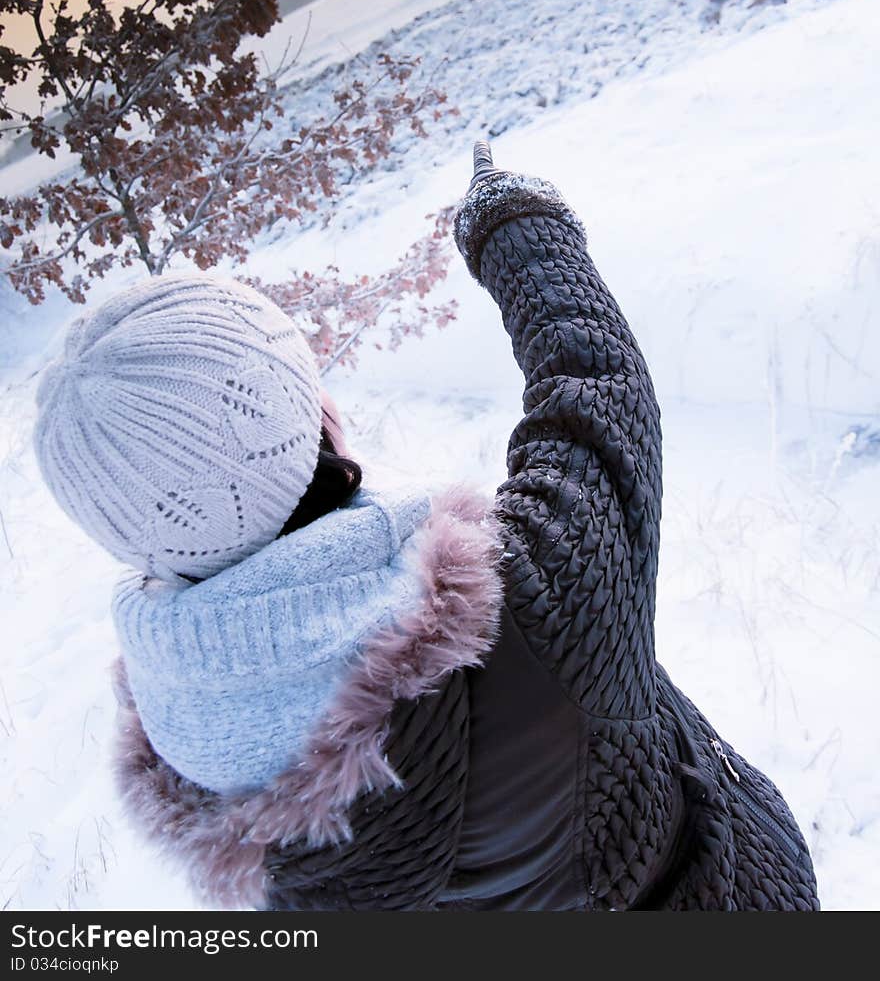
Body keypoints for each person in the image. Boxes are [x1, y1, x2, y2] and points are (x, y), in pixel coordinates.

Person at [32, 144, 820, 911]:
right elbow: (595, 387)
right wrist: (514, 221)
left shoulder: (200, 762)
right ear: (313, 419)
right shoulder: (539, 596)